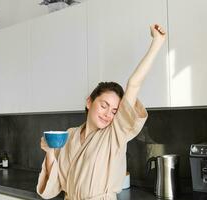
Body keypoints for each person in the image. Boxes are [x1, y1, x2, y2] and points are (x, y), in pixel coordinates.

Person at [37, 24, 167, 200]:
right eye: (104, 105)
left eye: (114, 111)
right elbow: (55, 183)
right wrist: (50, 151)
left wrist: (157, 43)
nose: (108, 114)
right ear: (89, 102)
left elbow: (133, 84)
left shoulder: (115, 134)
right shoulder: (70, 135)